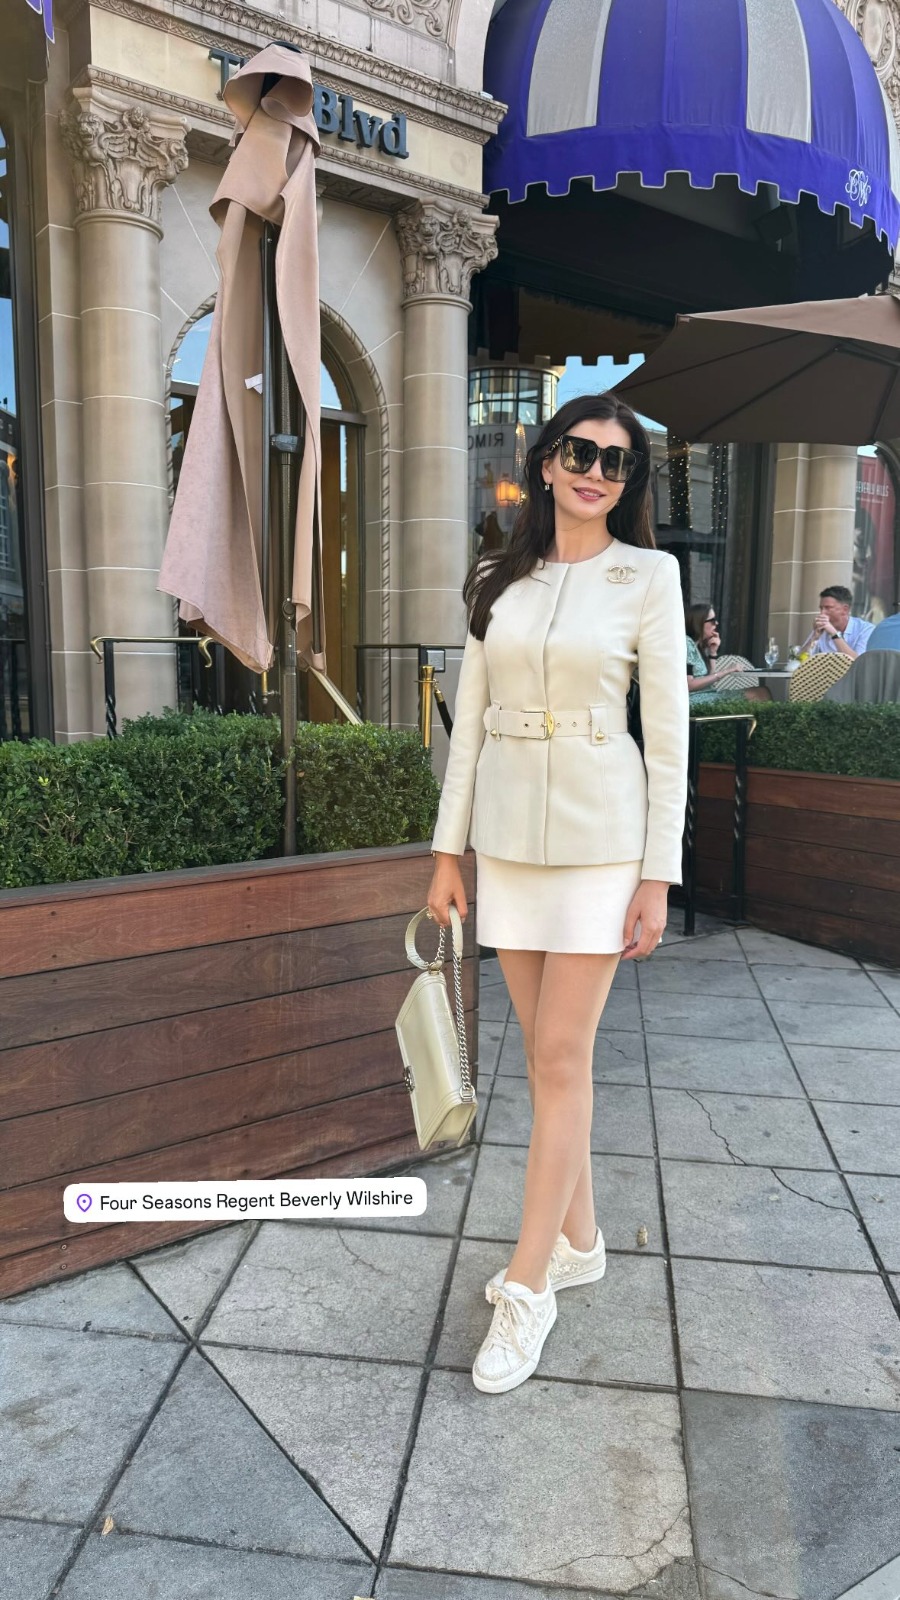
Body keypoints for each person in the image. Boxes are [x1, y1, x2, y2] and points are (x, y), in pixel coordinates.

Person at [427, 393, 688, 1395]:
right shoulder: (498, 578)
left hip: (601, 845)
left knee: (561, 1059)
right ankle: (579, 1240)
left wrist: (657, 874)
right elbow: (470, 725)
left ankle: (529, 1283)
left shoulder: (649, 577)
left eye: (617, 462)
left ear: (629, 484)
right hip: (508, 842)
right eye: (580, 452)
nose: (595, 472)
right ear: (545, 462)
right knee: (545, 1061)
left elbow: (669, 736)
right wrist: (447, 854)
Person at [685, 603, 768, 705]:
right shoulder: (687, 643)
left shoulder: (697, 646)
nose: (716, 623)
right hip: (695, 700)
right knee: (760, 693)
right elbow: (689, 685)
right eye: (712, 621)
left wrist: (713, 652)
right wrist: (727, 670)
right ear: (699, 623)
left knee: (762, 691)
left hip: (707, 695)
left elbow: (710, 679)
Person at [801, 586, 874, 660]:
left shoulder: (866, 629)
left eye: (828, 608)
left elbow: (858, 661)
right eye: (821, 608)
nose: (822, 613)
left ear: (845, 609)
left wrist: (834, 634)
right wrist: (814, 638)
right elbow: (800, 660)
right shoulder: (821, 628)